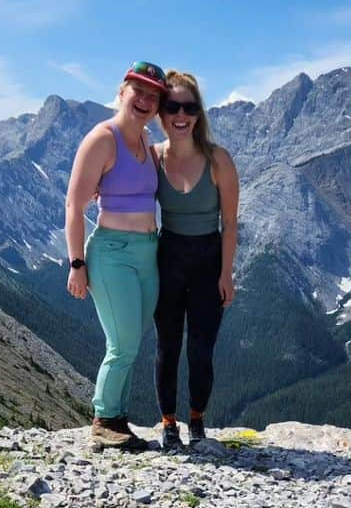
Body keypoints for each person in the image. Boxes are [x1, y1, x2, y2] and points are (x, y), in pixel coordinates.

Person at [65, 61, 169, 451]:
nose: (144, 101)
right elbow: (74, 206)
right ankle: (103, 419)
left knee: (132, 340)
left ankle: (118, 420)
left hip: (147, 252)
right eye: (138, 91)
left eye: (153, 96)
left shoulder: (146, 144)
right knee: (122, 342)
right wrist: (77, 263)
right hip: (111, 253)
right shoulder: (101, 139)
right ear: (122, 91)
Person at [153, 70, 239, 448]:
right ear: (161, 112)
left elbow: (231, 224)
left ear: (199, 113)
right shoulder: (153, 157)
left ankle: (197, 419)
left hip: (207, 259)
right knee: (166, 346)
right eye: (172, 106)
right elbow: (123, 187)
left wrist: (226, 274)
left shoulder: (218, 160)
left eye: (189, 107)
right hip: (167, 257)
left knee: (201, 350)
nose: (181, 114)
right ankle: (168, 422)